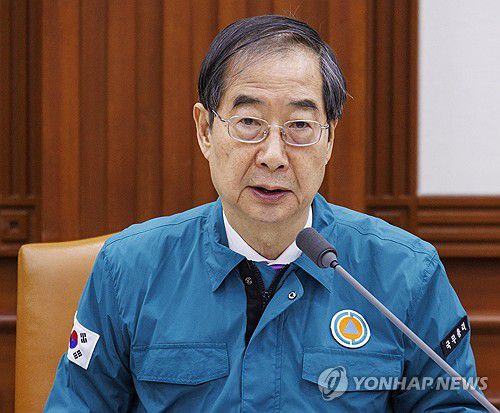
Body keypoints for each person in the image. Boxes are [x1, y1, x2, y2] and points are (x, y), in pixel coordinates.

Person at [45, 15, 486, 412]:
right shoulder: (128, 270)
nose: (273, 156)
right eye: (249, 123)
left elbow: (453, 406)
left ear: (329, 139)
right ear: (205, 130)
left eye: (300, 126)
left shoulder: (406, 273)